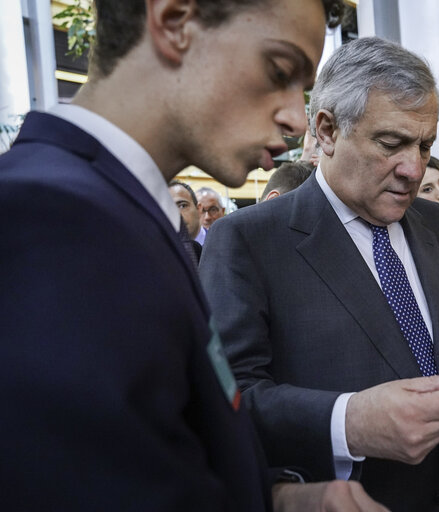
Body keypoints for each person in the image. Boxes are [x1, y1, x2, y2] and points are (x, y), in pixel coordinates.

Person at [0, 0, 396, 509]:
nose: (297, 119)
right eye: (278, 70)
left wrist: (280, 499)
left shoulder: (116, 206)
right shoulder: (49, 214)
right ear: (174, 22)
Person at [199, 37, 439, 510]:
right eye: (391, 144)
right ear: (327, 130)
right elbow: (229, 401)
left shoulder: (436, 224)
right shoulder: (248, 242)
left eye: (425, 146)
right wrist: (347, 421)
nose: (414, 169)